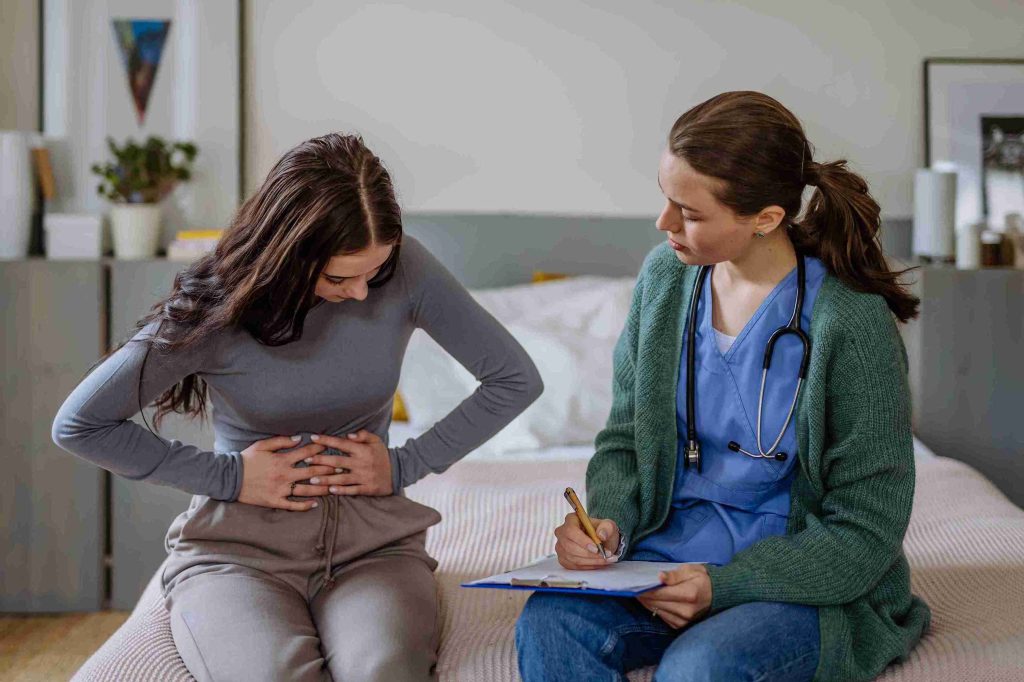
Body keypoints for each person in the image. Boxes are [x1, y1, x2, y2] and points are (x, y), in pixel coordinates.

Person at [52, 133, 543, 682]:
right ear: (286, 255)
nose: (361, 292)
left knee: (386, 673)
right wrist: (230, 476)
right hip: (240, 552)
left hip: (373, 548)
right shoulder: (216, 304)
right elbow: (80, 423)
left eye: (372, 273)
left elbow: (514, 378)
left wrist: (405, 463)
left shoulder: (404, 267)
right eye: (339, 276)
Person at [515, 91, 930, 682]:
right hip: (662, 559)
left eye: (689, 212)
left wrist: (726, 585)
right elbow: (626, 441)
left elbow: (867, 525)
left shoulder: (850, 323)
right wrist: (608, 525)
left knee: (701, 666)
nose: (664, 225)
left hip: (795, 579)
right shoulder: (665, 280)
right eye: (665, 200)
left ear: (764, 218)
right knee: (549, 622)